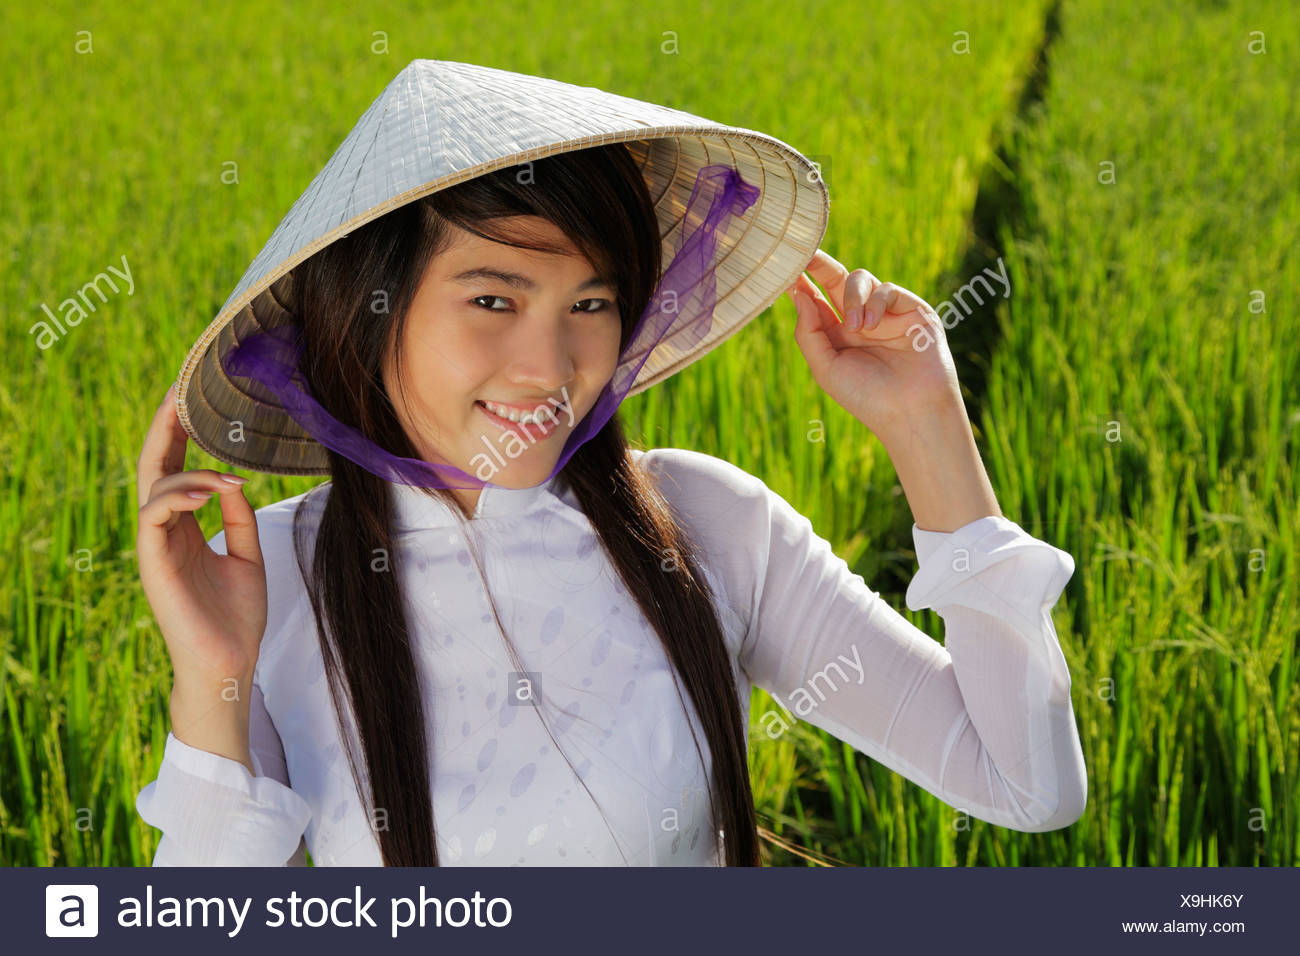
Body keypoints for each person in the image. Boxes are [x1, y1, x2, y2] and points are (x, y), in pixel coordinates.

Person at [133, 60, 1087, 867]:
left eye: (591, 304)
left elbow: (1024, 783)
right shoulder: (272, 583)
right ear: (368, 313)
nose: (552, 368)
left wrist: (928, 425)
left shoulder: (705, 520)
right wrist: (215, 676)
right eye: (495, 302)